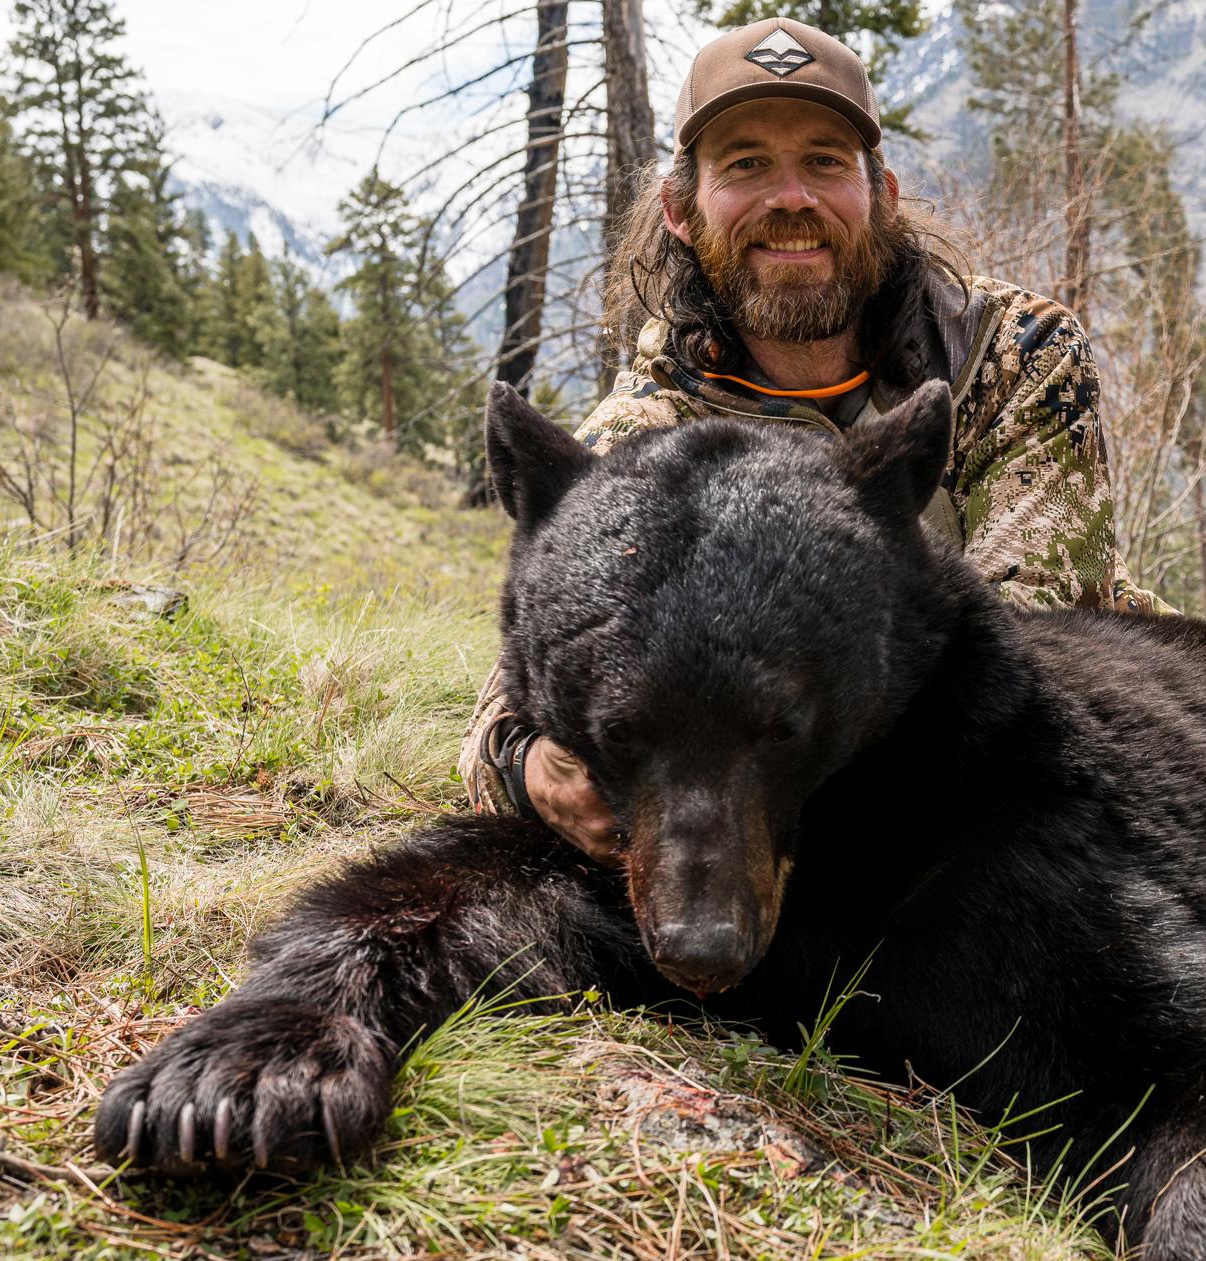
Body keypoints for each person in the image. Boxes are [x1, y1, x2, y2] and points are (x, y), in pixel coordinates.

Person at [458, 15, 1157, 860]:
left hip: (1076, 746)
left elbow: (1034, 639)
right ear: (680, 210)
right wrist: (536, 768)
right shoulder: (653, 428)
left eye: (825, 161)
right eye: (746, 164)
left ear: (882, 197)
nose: (791, 198)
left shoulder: (1011, 354)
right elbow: (507, 713)